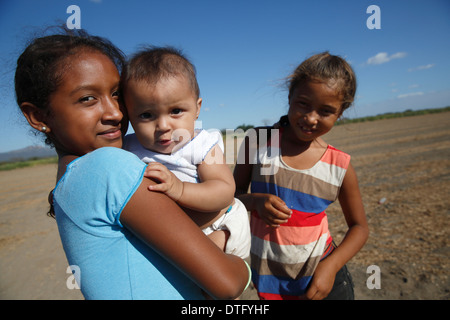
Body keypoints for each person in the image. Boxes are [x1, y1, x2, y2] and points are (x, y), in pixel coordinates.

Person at [15, 28, 251, 300]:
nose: (115, 113)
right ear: (37, 115)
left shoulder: (72, 181)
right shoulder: (111, 165)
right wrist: (242, 266)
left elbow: (223, 188)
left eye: (116, 94)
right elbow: (228, 284)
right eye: (87, 98)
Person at [233, 52, 369, 300]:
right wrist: (254, 202)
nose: (310, 118)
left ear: (340, 113)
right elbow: (230, 198)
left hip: (322, 281)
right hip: (269, 281)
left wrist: (331, 267)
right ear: (290, 97)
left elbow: (359, 227)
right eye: (303, 104)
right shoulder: (259, 141)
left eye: (326, 111)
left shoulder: (340, 166)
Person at [121, 47, 250, 259]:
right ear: (129, 116)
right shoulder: (128, 147)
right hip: (166, 236)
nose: (163, 125)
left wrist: (179, 189)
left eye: (176, 111)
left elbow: (224, 189)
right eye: (146, 115)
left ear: (197, 108)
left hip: (216, 226)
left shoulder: (202, 145)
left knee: (213, 272)